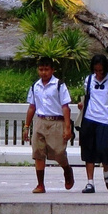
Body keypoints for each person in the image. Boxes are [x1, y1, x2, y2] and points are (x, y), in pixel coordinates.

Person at [78, 53, 108, 193]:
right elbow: (89, 97)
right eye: (96, 71)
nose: (99, 74)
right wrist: (83, 105)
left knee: (102, 148)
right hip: (89, 118)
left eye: (101, 71)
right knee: (88, 150)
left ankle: (106, 170)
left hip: (105, 120)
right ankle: (90, 182)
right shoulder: (89, 80)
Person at [25, 57, 74, 194]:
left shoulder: (59, 85)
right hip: (40, 121)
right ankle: (40, 184)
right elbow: (31, 107)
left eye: (46, 69)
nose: (43, 72)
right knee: (38, 153)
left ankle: (67, 170)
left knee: (58, 152)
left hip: (56, 121)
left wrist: (67, 127)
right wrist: (26, 126)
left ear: (52, 70)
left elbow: (65, 107)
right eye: (41, 69)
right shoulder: (35, 86)